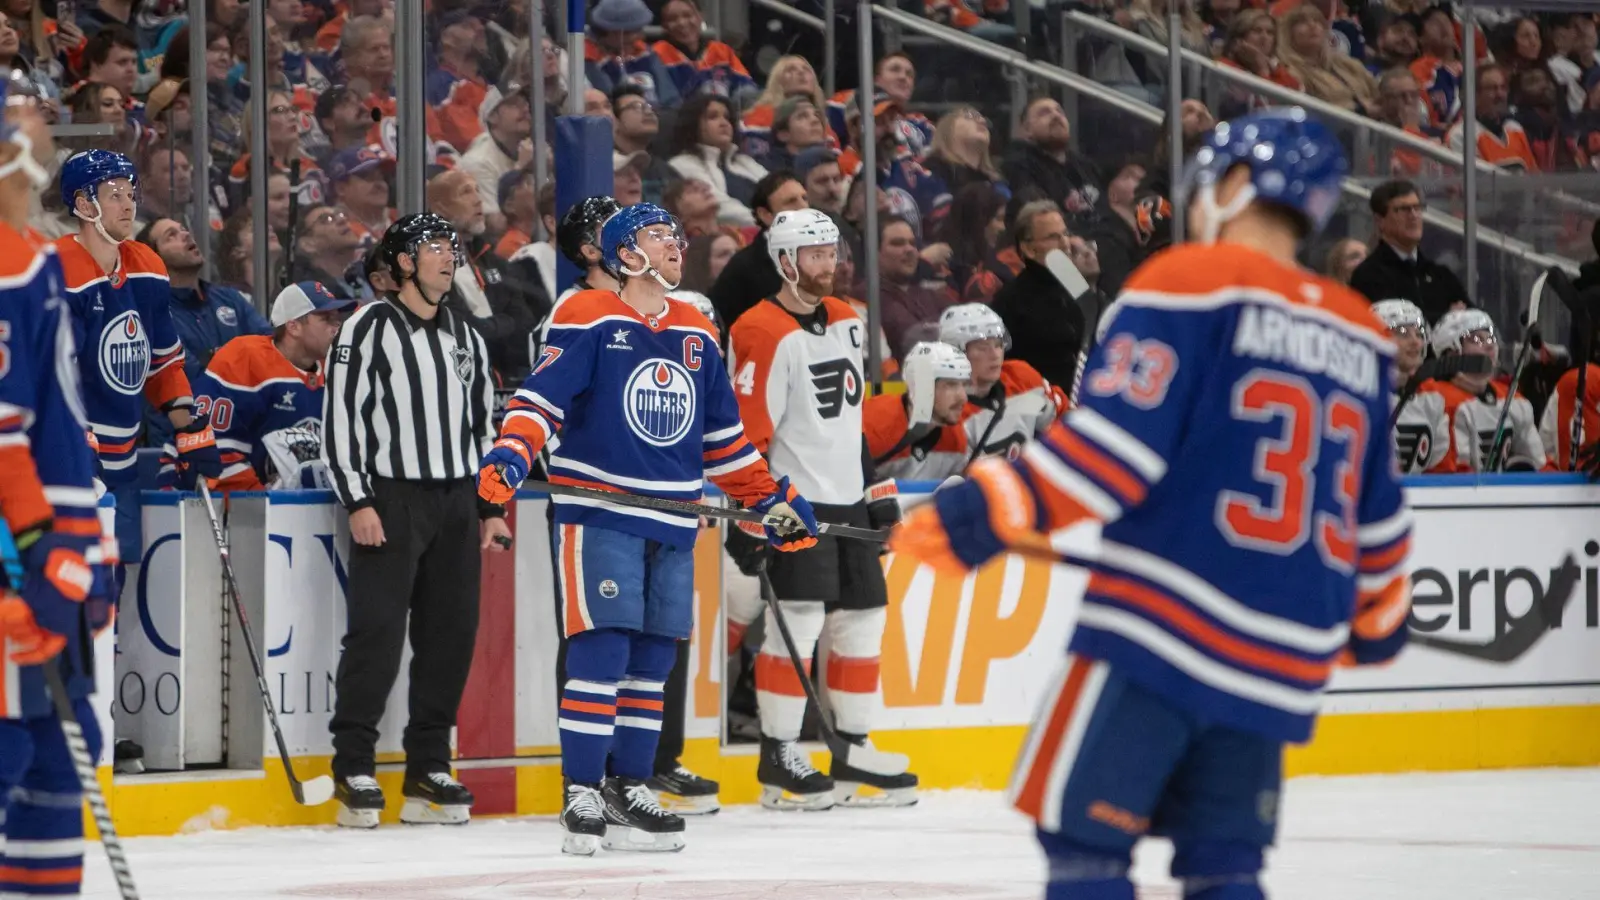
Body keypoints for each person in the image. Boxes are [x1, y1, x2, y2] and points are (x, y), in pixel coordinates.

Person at [889, 108, 1413, 900]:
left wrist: (977, 515)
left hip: (1162, 632)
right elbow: (1376, 515)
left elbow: (1111, 454)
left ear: (1236, 187)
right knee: (1225, 863)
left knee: (1082, 841)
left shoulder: (1187, 283)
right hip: (1283, 650)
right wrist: (1376, 622)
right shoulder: (1360, 333)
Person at [475, 202, 820, 854]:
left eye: (674, 236)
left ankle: (629, 784)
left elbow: (724, 441)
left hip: (674, 519)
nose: (673, 246)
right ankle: (581, 787)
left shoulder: (694, 327)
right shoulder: (585, 314)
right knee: (602, 648)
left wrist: (773, 500)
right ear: (622, 253)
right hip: (601, 514)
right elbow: (539, 401)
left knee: (654, 658)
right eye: (657, 236)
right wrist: (510, 456)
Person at [322, 212, 511, 829]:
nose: (447, 258)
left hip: (457, 500)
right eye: (434, 248)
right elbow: (342, 420)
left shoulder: (467, 335)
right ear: (403, 262)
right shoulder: (366, 326)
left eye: (451, 247)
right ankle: (353, 764)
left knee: (450, 637)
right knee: (376, 636)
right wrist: (359, 501)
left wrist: (488, 506)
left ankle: (429, 765)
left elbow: (483, 425)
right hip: (392, 497)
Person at [723, 209, 915, 811]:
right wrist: (753, 514)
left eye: (832, 254)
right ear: (784, 261)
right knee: (798, 622)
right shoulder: (758, 329)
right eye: (815, 256)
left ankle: (852, 747)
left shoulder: (847, 319)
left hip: (848, 499)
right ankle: (779, 756)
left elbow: (849, 421)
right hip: (792, 502)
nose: (828, 266)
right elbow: (747, 434)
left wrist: (875, 491)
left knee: (864, 618)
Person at [0, 91, 113, 900]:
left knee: (61, 747)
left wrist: (86, 543)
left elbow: (51, 431)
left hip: (49, 553)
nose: (37, 134)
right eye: (19, 126)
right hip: (19, 559)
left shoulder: (31, 261)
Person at [55, 150, 221, 554]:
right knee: (69, 591)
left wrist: (188, 426)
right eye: (113, 194)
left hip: (122, 462)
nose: (128, 203)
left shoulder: (145, 266)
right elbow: (54, 376)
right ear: (82, 204)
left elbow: (163, 361)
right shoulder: (59, 269)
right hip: (63, 463)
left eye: (130, 192)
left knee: (114, 584)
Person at [194, 281, 354, 492]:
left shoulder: (338, 368)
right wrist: (261, 501)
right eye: (326, 319)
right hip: (217, 507)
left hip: (306, 507)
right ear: (293, 326)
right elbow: (215, 449)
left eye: (337, 319)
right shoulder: (244, 360)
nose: (337, 327)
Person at [1418, 308, 1545, 472]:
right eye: (1476, 339)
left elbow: (1539, 465)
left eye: (1491, 337)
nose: (1489, 345)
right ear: (1451, 352)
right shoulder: (1437, 401)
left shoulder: (1513, 399)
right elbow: (1453, 473)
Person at [937, 303, 1067, 461]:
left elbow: (1068, 422)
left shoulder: (1021, 377)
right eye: (983, 347)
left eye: (998, 345)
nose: (995, 355)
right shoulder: (945, 414)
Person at [989, 200, 1085, 389]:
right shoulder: (1010, 301)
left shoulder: (1076, 284)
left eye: (1065, 233)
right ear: (1028, 249)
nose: (1066, 243)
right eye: (1053, 237)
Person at [1348, 180, 1469, 323]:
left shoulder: (1441, 275)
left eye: (1417, 208)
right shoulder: (1368, 275)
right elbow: (1390, 325)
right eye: (1403, 209)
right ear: (1380, 221)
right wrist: (1448, 319)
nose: (1413, 215)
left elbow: (1473, 319)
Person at [706, 170, 808, 331]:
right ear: (766, 215)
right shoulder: (745, 267)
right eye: (791, 202)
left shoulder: (820, 255)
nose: (803, 207)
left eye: (804, 198)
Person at [863, 341, 974, 481]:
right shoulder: (872, 425)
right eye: (950, 385)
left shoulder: (957, 439)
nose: (963, 398)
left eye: (964, 385)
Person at [1002, 97, 1102, 225]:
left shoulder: (1084, 165)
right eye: (1044, 113)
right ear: (1027, 129)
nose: (1055, 115)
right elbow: (1039, 218)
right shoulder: (1019, 165)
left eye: (1060, 111)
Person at [1374, 299, 1448, 473]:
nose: (1415, 342)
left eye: (1419, 334)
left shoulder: (1432, 398)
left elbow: (1441, 468)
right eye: (1402, 333)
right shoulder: (1363, 395)